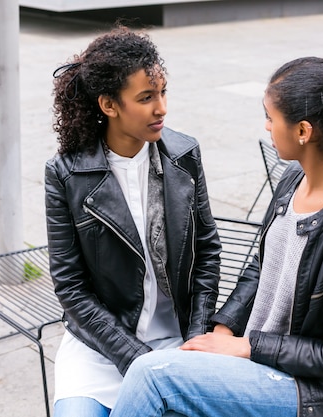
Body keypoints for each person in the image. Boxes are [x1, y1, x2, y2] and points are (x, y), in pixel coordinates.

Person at [109, 55, 323, 417]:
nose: (266, 127)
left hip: (310, 387)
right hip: (256, 353)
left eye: (270, 118)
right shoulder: (293, 181)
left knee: (152, 376)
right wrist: (225, 329)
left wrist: (247, 348)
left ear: (303, 131)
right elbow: (263, 266)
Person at [44, 27, 221, 417]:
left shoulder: (184, 156)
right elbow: (71, 289)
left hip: (177, 340)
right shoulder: (66, 174)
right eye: (146, 98)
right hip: (101, 348)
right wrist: (135, 359)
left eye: (162, 92)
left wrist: (196, 337)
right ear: (109, 105)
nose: (162, 108)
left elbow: (207, 251)